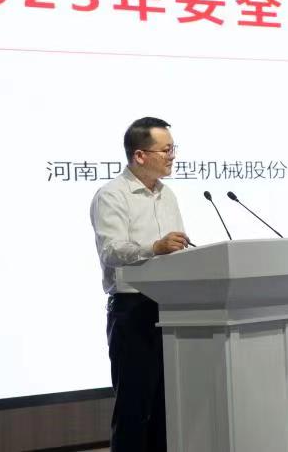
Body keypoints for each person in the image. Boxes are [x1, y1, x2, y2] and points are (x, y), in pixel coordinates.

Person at [89, 117, 190, 452]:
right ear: (140, 155)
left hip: (171, 308)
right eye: (166, 150)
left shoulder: (167, 194)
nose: (172, 156)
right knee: (134, 406)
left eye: (173, 149)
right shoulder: (112, 195)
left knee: (165, 407)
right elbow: (111, 251)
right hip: (132, 310)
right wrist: (154, 247)